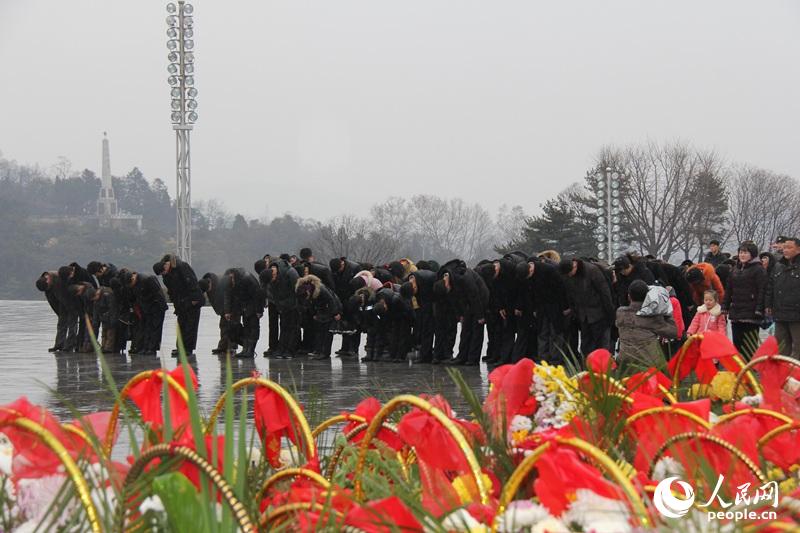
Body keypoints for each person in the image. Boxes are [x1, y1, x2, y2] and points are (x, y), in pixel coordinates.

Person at [435, 259, 489, 366]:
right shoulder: (448, 282)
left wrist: (480, 315)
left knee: (476, 328)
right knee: (465, 329)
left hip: (480, 298)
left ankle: (473, 358)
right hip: (467, 301)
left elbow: (474, 295)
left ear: (447, 284)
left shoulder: (464, 277)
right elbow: (455, 300)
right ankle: (462, 356)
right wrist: (460, 315)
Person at [514, 258, 569, 364]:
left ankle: (555, 359)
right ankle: (543, 358)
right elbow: (530, 293)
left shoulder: (549, 270)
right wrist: (534, 308)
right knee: (542, 333)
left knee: (555, 333)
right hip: (540, 308)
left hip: (555, 306)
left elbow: (561, 289)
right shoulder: (526, 276)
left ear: (530, 270)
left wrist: (565, 307)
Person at [615, 280, 677, 371]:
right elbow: (673, 332)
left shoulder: (620, 312)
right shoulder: (652, 317)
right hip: (648, 364)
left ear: (629, 296)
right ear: (648, 297)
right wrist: (667, 312)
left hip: (624, 361)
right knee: (668, 375)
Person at [558, 258, 615, 355]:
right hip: (583, 316)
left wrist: (610, 314)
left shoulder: (592, 271)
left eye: (569, 273)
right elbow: (570, 296)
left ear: (574, 266)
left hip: (599, 314)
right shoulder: (568, 276)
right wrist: (575, 312)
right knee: (586, 346)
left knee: (601, 345)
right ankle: (587, 367)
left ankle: (603, 368)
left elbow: (605, 293)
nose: (569, 276)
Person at [154, 254, 204, 357]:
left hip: (192, 301)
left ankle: (188, 349)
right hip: (181, 302)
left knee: (190, 326)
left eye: (163, 271)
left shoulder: (182, 267)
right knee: (181, 325)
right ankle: (180, 347)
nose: (163, 274)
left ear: (166, 265)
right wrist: (177, 306)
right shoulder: (166, 276)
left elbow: (192, 282)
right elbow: (172, 292)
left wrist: (194, 299)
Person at [722, 242, 767, 358]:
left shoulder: (758, 269)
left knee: (749, 344)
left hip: (751, 312)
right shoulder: (735, 269)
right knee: (737, 342)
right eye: (741, 252)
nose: (742, 255)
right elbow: (728, 290)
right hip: (736, 310)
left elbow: (762, 290)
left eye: (745, 252)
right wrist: (725, 306)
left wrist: (759, 308)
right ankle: (739, 368)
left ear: (752, 254)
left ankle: (750, 367)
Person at [766, 237, 800, 358]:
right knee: (781, 346)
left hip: (797, 315)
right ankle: (783, 374)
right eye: (784, 247)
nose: (785, 250)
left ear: (798, 249)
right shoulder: (778, 266)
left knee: (798, 347)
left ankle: (795, 374)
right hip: (780, 313)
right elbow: (770, 287)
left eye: (789, 248)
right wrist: (768, 305)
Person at [295, 274, 342, 360]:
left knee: (327, 332)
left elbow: (332, 300)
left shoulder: (321, 290)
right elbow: (310, 304)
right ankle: (318, 350)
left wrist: (336, 313)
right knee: (319, 330)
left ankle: (325, 353)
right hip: (321, 309)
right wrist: (314, 314)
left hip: (330, 308)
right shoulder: (303, 290)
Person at [261, 259, 301, 359]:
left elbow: (298, 290)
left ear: (274, 273)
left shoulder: (290, 272)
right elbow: (275, 295)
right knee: (284, 327)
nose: (272, 281)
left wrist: (296, 305)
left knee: (293, 328)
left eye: (273, 278)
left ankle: (290, 350)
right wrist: (280, 307)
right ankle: (281, 349)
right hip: (283, 306)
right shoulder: (270, 279)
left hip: (294, 304)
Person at [121, 270, 168, 356]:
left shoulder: (148, 279)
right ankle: (146, 347)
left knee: (155, 328)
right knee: (147, 327)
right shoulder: (134, 285)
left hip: (156, 307)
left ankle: (152, 348)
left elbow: (158, 294)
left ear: (133, 278)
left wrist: (162, 307)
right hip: (146, 308)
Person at [224, 268, 266, 358]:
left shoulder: (247, 279)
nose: (231, 280)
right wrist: (228, 311)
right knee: (246, 328)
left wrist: (259, 310)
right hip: (243, 307)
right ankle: (245, 349)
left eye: (231, 278)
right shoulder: (231, 283)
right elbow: (229, 296)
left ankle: (250, 350)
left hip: (252, 306)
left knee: (253, 328)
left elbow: (257, 294)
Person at [199, 273, 236, 355]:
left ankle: (231, 347)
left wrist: (227, 311)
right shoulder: (209, 285)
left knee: (231, 326)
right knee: (223, 326)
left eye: (209, 289)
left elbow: (227, 297)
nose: (209, 291)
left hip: (232, 306)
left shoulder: (220, 284)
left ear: (210, 283)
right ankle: (223, 346)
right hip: (224, 309)